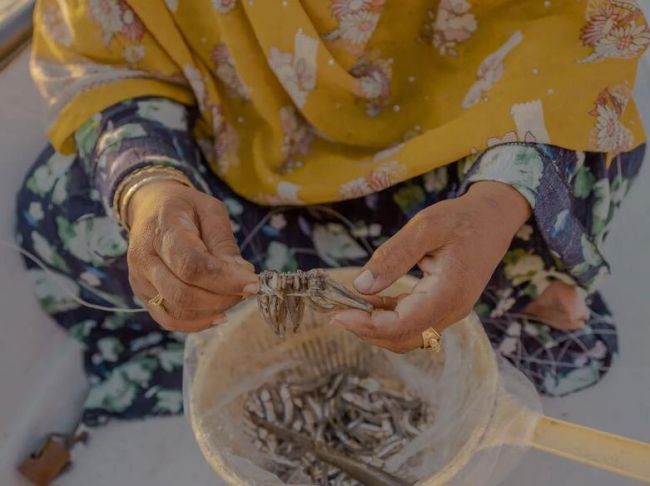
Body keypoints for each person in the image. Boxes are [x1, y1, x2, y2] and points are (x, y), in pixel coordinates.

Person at [16, 0, 648, 425]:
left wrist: (495, 202)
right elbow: (108, 58)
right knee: (60, 211)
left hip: (453, 146)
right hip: (243, 150)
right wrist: (152, 191)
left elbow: (564, 38)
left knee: (572, 178)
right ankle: (447, 312)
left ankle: (474, 285)